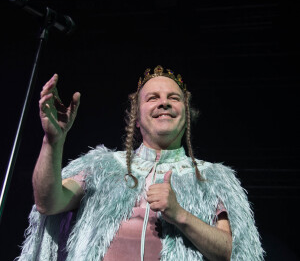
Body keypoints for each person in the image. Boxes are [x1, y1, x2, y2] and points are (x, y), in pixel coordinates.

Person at [17, 65, 264, 261]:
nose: (164, 103)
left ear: (187, 115)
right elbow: (47, 203)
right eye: (153, 98)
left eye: (173, 98)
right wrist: (53, 140)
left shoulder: (215, 178)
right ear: (136, 117)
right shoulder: (102, 167)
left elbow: (234, 253)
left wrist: (180, 215)